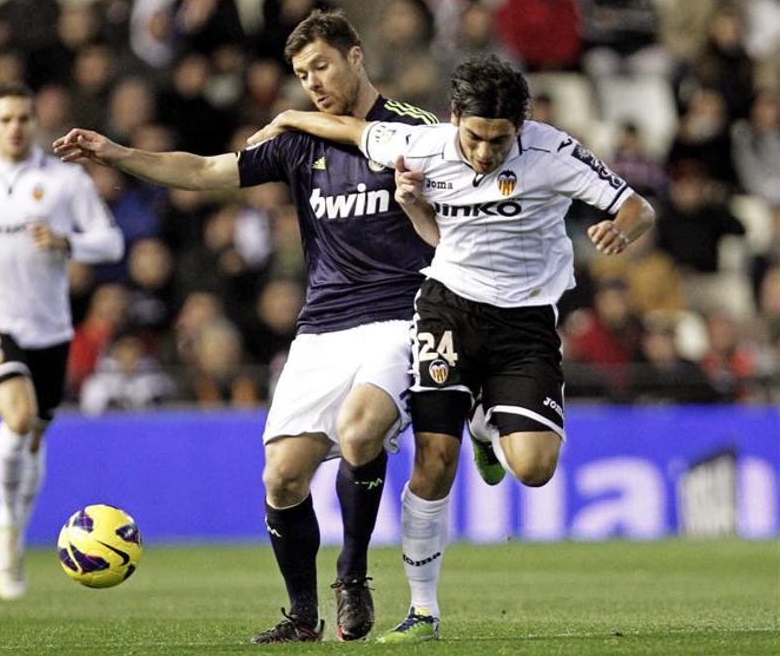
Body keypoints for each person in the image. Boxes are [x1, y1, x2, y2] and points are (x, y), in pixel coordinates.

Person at [53, 10, 437, 643]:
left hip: (401, 316)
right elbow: (204, 171)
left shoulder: (414, 131)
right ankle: (302, 616)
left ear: (357, 55)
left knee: (361, 429)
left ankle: (353, 574)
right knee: (282, 475)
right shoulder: (298, 143)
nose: (312, 81)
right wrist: (117, 153)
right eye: (301, 73)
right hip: (322, 329)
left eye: (322, 65)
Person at [247, 54, 656, 641]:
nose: (485, 152)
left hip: (525, 323)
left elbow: (637, 206)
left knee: (535, 470)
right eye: (474, 136)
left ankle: (486, 424)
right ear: (454, 118)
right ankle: (422, 612)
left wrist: (622, 229)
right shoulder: (424, 144)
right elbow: (354, 129)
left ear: (523, 125)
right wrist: (291, 115)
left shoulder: (555, 153)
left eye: (499, 139)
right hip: (448, 309)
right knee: (433, 460)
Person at [0, 84, 124, 600]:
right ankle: (2, 523)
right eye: (5, 119)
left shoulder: (65, 181)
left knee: (34, 434)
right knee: (17, 416)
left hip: (48, 325)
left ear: (35, 123)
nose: (15, 127)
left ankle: (14, 535)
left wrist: (68, 242)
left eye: (23, 118)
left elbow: (110, 241)